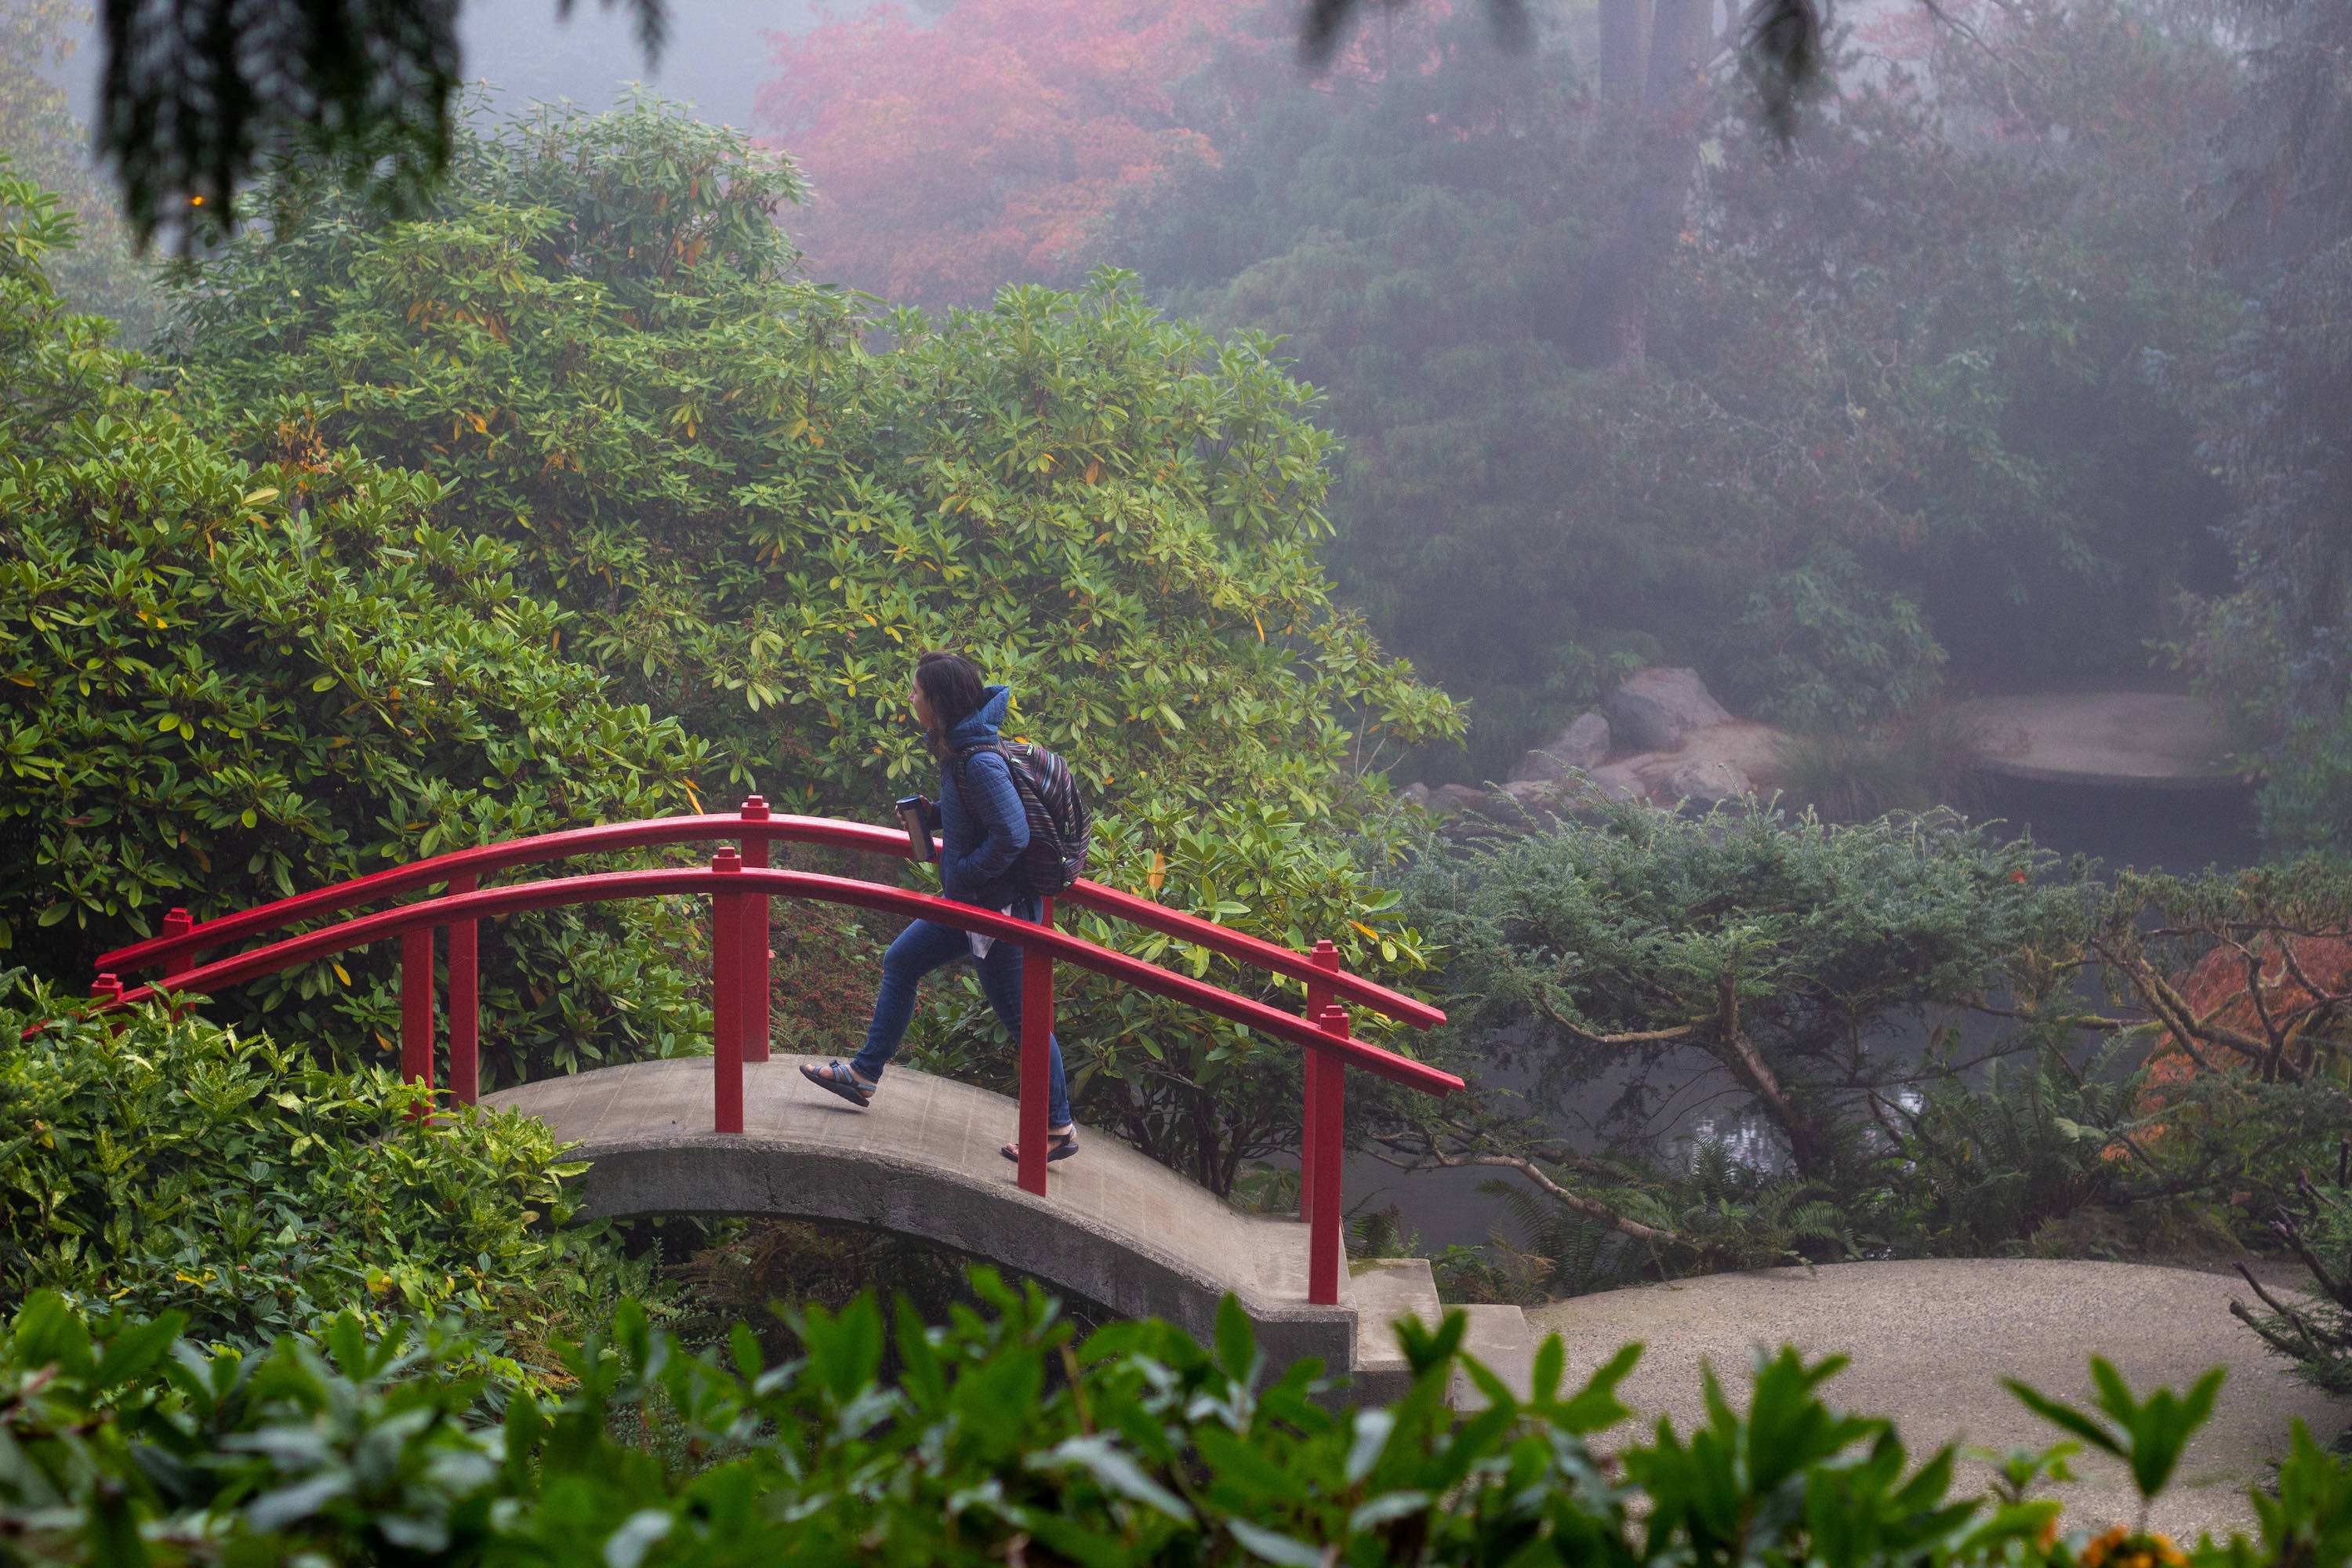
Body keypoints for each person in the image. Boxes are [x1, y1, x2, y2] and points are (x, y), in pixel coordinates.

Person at [800, 651, 1079, 1164]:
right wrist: (934, 815)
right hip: (970, 907)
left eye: (916, 692)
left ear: (938, 701)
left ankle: (1058, 1126)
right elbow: (980, 818)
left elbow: (1012, 834)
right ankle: (863, 1076)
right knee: (902, 961)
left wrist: (968, 876)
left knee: (1025, 1022)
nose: (910, 699)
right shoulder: (962, 751)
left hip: (996, 915)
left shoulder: (980, 760)